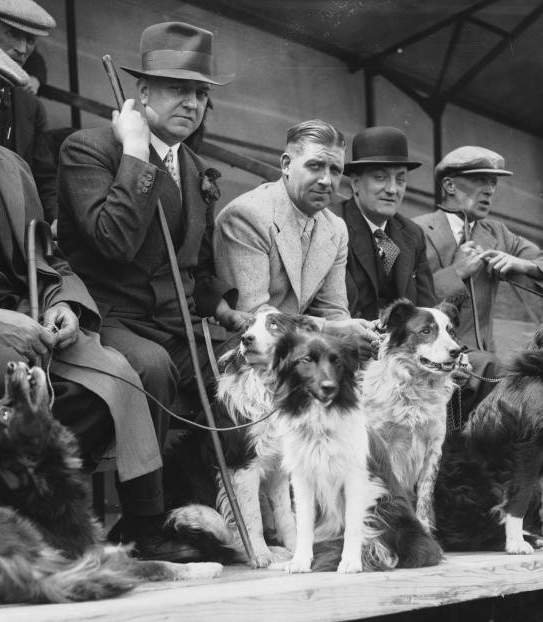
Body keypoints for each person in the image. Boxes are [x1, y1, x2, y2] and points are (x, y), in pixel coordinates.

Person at [0, 28, 190, 562]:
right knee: (1, 379)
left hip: (27, 316)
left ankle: (118, 525)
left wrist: (64, 303)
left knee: (125, 378)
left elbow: (48, 258)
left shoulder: (9, 166)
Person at [56, 22, 250, 490]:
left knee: (241, 373)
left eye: (201, 94)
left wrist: (225, 310)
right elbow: (113, 241)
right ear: (142, 92)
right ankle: (145, 524)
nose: (192, 103)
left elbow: (196, 267)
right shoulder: (89, 149)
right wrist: (137, 152)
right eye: (177, 90)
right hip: (110, 320)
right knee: (152, 367)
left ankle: (205, 505)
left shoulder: (199, 170)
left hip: (177, 325)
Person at [214, 119, 378, 349]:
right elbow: (254, 318)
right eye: (315, 166)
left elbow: (334, 312)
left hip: (296, 352)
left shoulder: (335, 228)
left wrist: (356, 338)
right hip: (243, 353)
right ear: (286, 164)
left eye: (335, 170)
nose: (326, 180)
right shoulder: (247, 216)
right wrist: (333, 330)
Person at [414, 146, 543, 353]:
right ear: (449, 185)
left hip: (481, 362)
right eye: (480, 180)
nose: (489, 190)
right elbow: (408, 300)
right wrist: (456, 272)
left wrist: (524, 264)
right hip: (430, 359)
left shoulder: (498, 234)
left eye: (493, 182)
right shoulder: (416, 230)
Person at [336, 125, 436, 321]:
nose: (392, 189)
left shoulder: (412, 233)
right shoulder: (333, 225)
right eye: (380, 178)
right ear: (356, 183)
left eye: (400, 180)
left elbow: (427, 308)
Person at [0, 0, 58, 222]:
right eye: (13, 34)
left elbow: (44, 177)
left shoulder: (31, 106)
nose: (22, 49)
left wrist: (56, 219)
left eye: (29, 39)